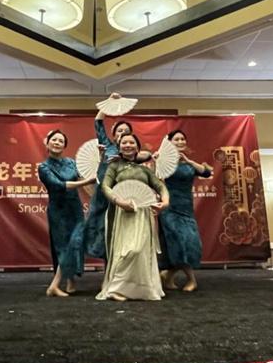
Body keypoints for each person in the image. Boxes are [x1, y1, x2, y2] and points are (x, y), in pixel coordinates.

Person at [97, 133, 170, 301]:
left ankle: (139, 289)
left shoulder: (145, 170)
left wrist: (165, 202)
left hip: (142, 214)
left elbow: (160, 186)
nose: (128, 145)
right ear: (119, 147)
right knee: (125, 251)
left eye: (131, 142)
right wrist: (119, 201)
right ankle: (115, 289)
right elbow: (106, 187)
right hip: (121, 214)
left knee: (140, 251)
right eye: (124, 142)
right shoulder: (114, 167)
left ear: (137, 147)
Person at [84, 93, 150, 259]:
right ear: (113, 134)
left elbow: (147, 155)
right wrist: (109, 102)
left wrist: (125, 156)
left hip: (122, 193)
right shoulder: (106, 145)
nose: (123, 133)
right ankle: (107, 266)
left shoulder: (131, 150)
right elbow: (98, 121)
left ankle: (120, 268)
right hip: (103, 192)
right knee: (100, 226)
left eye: (126, 131)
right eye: (119, 130)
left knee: (119, 229)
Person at [38, 130, 96, 297]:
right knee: (63, 246)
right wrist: (86, 181)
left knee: (76, 242)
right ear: (47, 143)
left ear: (64, 146)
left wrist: (93, 179)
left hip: (75, 209)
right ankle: (56, 285)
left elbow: (83, 178)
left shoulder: (71, 163)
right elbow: (59, 185)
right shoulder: (44, 167)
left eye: (61, 141)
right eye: (54, 140)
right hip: (58, 211)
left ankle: (70, 281)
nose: (57, 143)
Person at [158, 130, 211, 292]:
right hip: (169, 208)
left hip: (186, 209)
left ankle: (168, 276)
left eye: (182, 139)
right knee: (178, 242)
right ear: (170, 142)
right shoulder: (163, 161)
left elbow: (206, 172)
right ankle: (191, 280)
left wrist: (189, 161)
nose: (180, 142)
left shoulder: (188, 163)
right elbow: (157, 182)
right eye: (176, 139)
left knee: (191, 242)